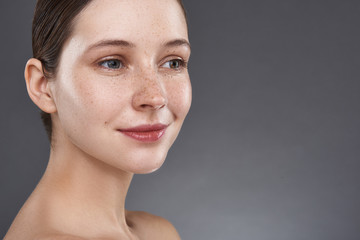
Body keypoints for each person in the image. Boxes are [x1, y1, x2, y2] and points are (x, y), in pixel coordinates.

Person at [4, 0, 191, 239]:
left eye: (173, 62)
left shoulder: (158, 232)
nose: (155, 97)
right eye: (112, 63)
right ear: (43, 87)